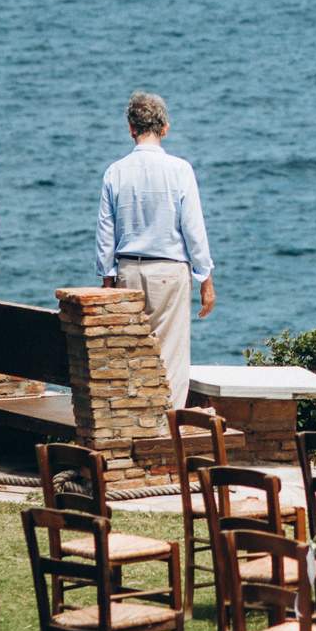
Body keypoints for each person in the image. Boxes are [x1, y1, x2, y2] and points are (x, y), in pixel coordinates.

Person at [96, 92, 214, 409]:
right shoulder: (180, 170)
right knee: (171, 358)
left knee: (132, 355)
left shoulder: (115, 171)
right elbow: (193, 229)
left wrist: (107, 280)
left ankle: (137, 422)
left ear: (131, 128)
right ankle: (165, 426)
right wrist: (205, 278)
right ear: (165, 128)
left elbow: (105, 234)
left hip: (128, 271)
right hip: (169, 271)